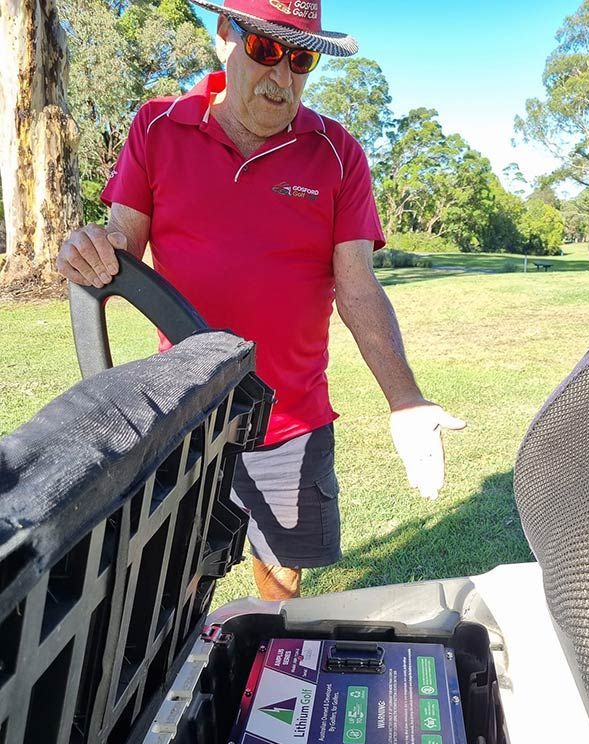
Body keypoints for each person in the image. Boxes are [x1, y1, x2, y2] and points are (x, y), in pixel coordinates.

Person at [57, 0, 464, 601]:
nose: (282, 78)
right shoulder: (156, 126)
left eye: (300, 59)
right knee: (177, 577)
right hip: (188, 414)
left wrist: (404, 399)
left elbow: (357, 287)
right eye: (265, 50)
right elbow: (123, 251)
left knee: (281, 581)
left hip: (293, 418)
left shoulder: (338, 153)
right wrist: (94, 248)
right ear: (225, 34)